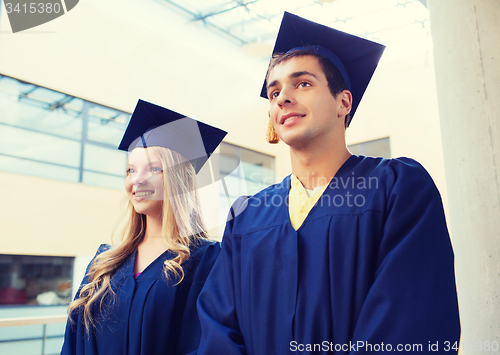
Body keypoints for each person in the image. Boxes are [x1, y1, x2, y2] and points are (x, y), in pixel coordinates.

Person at [197, 12, 460, 354]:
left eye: (302, 83)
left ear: (343, 101)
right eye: (274, 91)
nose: (282, 97)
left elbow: (411, 322)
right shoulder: (247, 217)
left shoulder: (397, 188)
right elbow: (218, 329)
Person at [61, 99, 227, 355]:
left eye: (153, 169)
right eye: (130, 170)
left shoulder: (208, 261)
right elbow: (73, 343)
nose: (136, 180)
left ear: (177, 178)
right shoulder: (105, 262)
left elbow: (208, 345)